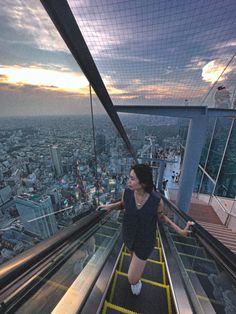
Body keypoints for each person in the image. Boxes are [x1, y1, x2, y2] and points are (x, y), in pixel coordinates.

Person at [97, 164, 194, 296]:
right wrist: (109, 207)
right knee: (132, 256)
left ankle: (136, 281)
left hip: (145, 241)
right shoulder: (127, 193)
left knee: (132, 278)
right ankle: (136, 269)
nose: (128, 181)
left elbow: (163, 218)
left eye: (132, 179)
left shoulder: (156, 200)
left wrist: (180, 230)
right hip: (129, 235)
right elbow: (123, 204)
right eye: (129, 178)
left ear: (142, 183)